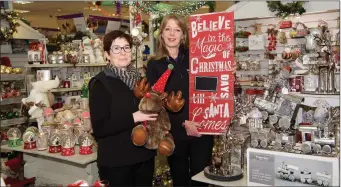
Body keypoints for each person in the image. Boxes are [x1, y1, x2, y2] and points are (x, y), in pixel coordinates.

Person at [146, 15, 237, 186]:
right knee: (179, 178)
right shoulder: (154, 65)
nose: (172, 34)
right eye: (168, 29)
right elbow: (155, 103)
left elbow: (212, 82)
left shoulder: (196, 56)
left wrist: (226, 69)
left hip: (201, 128)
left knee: (202, 178)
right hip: (175, 132)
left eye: (177, 30)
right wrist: (182, 122)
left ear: (184, 35)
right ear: (161, 34)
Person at [89, 30, 158, 186]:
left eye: (126, 47)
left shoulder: (140, 79)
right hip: (117, 163)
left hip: (144, 157)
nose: (123, 53)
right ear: (107, 54)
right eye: (116, 48)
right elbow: (100, 128)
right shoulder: (100, 83)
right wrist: (134, 117)